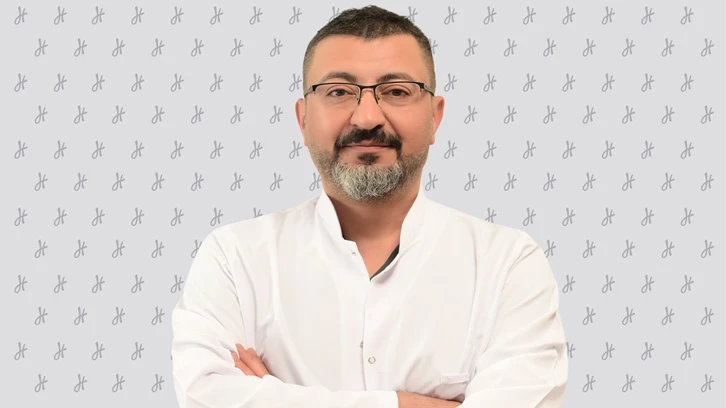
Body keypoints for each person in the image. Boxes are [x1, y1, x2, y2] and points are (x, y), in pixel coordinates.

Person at [171, 5, 568, 408]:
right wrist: (411, 403)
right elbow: (203, 396)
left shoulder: (508, 264)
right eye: (338, 92)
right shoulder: (234, 258)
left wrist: (277, 398)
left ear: (435, 117)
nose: (366, 117)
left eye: (396, 91)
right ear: (303, 119)